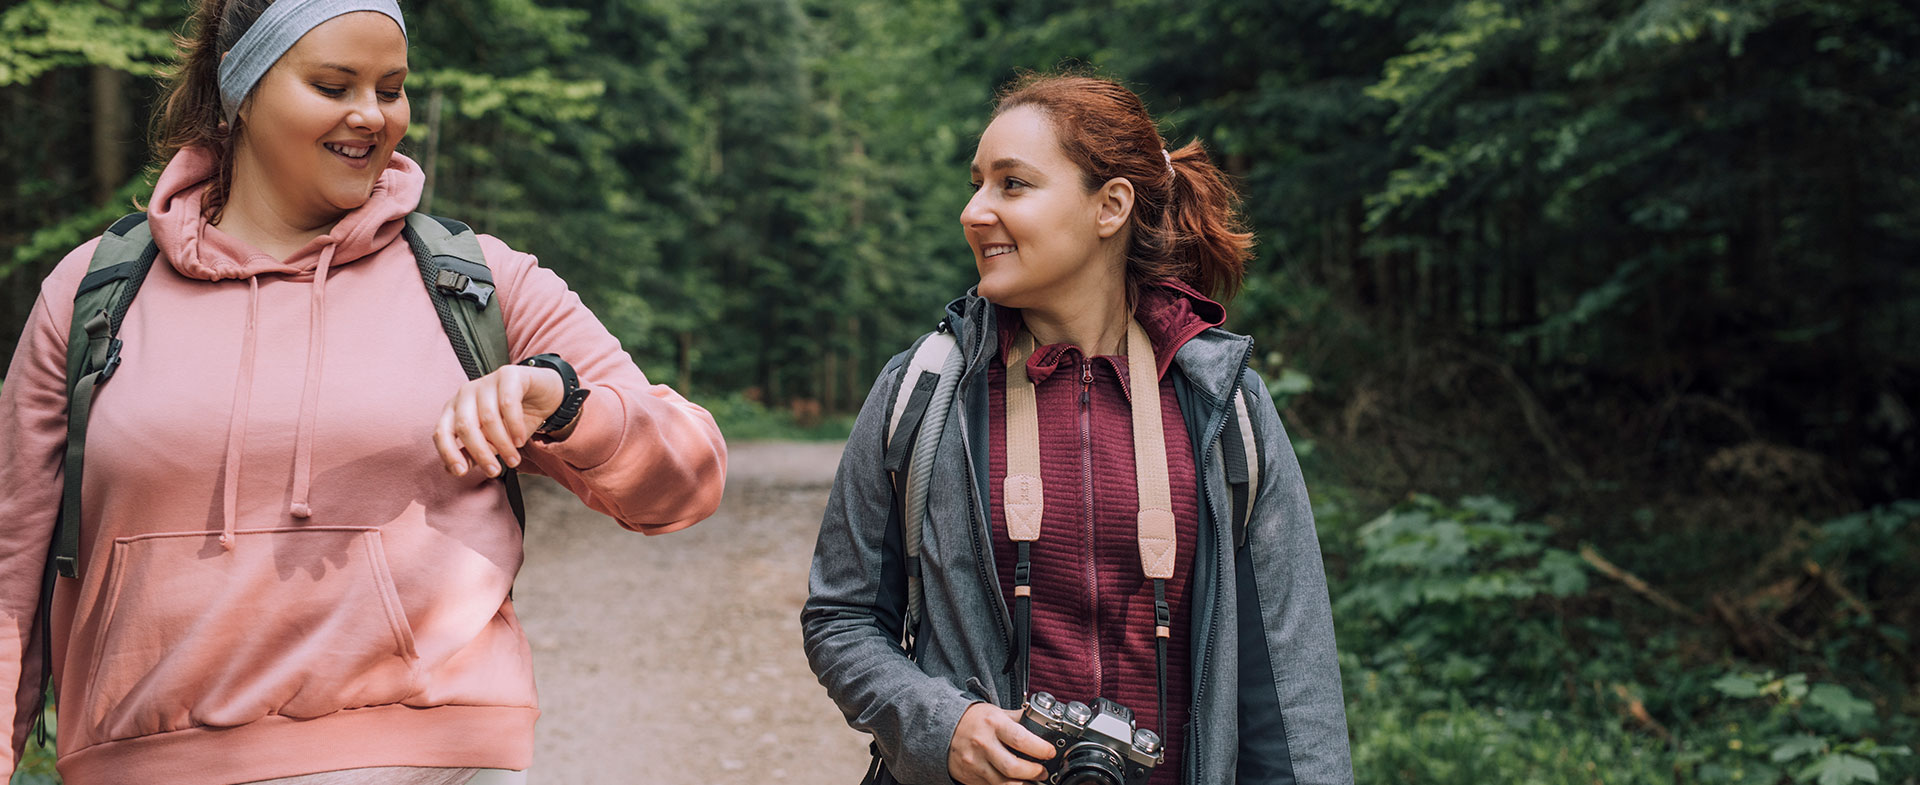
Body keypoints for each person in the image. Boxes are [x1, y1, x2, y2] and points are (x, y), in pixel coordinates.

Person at [0, 1, 727, 783]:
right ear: (239, 91)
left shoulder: (476, 281)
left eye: (391, 88)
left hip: (430, 762)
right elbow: (10, 572)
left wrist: (566, 406)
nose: (371, 116)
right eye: (334, 84)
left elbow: (687, 478)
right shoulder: (94, 293)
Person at [802, 73, 1353, 785]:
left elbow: (1289, 684)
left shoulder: (1224, 405)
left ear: (1111, 206)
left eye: (1012, 184)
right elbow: (840, 619)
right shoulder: (925, 389)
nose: (975, 211)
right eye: (976, 184)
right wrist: (943, 727)